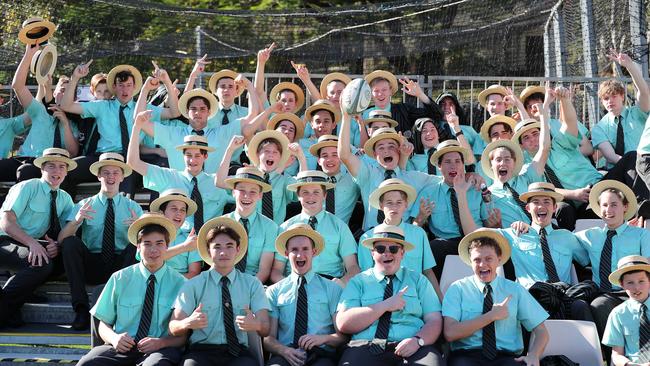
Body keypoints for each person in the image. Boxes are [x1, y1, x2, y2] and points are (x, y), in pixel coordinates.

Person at [78, 213, 186, 366]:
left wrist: (160, 343)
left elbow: (183, 335)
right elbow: (103, 323)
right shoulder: (120, 278)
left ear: (167, 246)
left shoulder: (181, 283)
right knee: (88, 362)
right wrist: (115, 338)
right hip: (122, 346)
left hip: (160, 349)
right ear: (138, 247)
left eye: (159, 243)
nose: (153, 249)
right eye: (147, 244)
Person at [60, 61, 178, 196]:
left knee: (159, 166)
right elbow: (66, 106)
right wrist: (75, 77)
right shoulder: (102, 106)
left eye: (128, 85)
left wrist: (166, 81)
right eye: (121, 85)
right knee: (65, 169)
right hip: (103, 157)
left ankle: (155, 215)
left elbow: (174, 113)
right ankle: (65, 213)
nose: (125, 90)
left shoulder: (145, 108)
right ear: (114, 88)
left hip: (133, 157)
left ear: (134, 87)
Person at [336, 224, 445, 365]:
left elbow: (434, 320)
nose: (387, 253)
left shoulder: (419, 281)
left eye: (393, 249)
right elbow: (343, 323)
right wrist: (385, 305)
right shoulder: (358, 282)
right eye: (380, 249)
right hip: (366, 346)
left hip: (412, 345)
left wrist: (418, 340)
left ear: (402, 253)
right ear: (372, 253)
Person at [169, 217, 270, 366]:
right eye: (217, 247)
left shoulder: (252, 284)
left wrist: (256, 325)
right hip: (201, 352)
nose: (223, 252)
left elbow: (265, 327)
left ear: (237, 249)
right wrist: (188, 322)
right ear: (208, 251)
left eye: (229, 246)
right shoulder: (193, 284)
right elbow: (173, 326)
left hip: (238, 353)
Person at [58, 153, 142, 330]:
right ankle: (81, 309)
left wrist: (137, 229)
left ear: (122, 176)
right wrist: (76, 221)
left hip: (121, 267)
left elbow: (147, 243)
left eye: (115, 173)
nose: (111, 177)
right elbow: (61, 239)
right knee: (70, 243)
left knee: (137, 244)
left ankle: (123, 311)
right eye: (106, 172)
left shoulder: (132, 207)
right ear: (99, 176)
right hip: (93, 264)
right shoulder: (84, 204)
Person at [442, 229, 549, 366]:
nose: (482, 264)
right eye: (477, 260)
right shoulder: (457, 289)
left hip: (506, 357)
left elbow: (541, 331)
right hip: (467, 356)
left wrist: (534, 355)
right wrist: (491, 316)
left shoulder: (515, 290)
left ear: (499, 260)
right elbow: (450, 333)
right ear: (470, 262)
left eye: (488, 259)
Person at [0, 148, 75, 328]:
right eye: (51, 166)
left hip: (31, 244)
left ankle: (20, 295)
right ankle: (4, 308)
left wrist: (55, 245)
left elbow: (64, 231)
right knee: (42, 263)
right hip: (5, 240)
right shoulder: (27, 187)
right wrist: (33, 243)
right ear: (42, 168)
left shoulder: (65, 198)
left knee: (67, 259)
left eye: (61, 167)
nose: (56, 171)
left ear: (66, 171)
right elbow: (6, 223)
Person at [128, 111, 232, 233]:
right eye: (188, 155)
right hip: (175, 241)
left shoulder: (218, 182)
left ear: (205, 157)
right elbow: (133, 163)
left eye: (197, 155)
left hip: (208, 243)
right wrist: (137, 127)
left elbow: (246, 196)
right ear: (183, 156)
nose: (192, 160)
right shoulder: (169, 177)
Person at [575, 180, 650, 339]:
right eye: (604, 205)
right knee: (598, 305)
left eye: (614, 204)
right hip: (604, 293)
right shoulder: (589, 235)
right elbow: (557, 239)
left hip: (636, 290)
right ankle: (612, 357)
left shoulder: (641, 234)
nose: (608, 210)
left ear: (625, 207)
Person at [265, 223, 346, 366]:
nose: (300, 255)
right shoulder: (274, 291)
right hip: (287, 354)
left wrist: (322, 339)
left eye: (305, 249)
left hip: (321, 354)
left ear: (313, 252)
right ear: (286, 253)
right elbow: (268, 339)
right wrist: (284, 351)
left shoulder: (332, 288)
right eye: (294, 250)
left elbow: (342, 337)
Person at [412, 140, 491, 280]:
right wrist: (421, 217)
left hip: (476, 239)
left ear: (463, 165)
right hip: (446, 243)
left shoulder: (477, 188)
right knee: (433, 248)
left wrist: (495, 223)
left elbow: (488, 222)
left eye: (457, 161)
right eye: (447, 162)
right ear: (439, 166)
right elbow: (415, 226)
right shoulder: (429, 192)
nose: (453, 165)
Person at [0, 44, 78, 182]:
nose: (63, 94)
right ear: (54, 92)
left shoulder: (73, 122)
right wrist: (29, 54)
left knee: (25, 172)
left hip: (46, 167)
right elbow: (17, 86)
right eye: (61, 90)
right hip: (22, 160)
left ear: (74, 98)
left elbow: (72, 152)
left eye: (68, 91)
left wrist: (64, 123)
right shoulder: (40, 111)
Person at [271, 170, 360, 285]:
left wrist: (339, 285)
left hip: (330, 282)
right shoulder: (285, 228)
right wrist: (289, 286)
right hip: (294, 282)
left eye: (316, 192)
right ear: (298, 195)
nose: (310, 197)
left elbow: (353, 267)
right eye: (305, 192)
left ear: (325, 195)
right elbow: (276, 271)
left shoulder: (339, 226)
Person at [357, 178, 441, 298]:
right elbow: (366, 275)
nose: (394, 207)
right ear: (381, 205)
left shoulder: (419, 234)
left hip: (415, 296)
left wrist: (440, 301)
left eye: (399, 202)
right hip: (381, 296)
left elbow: (427, 271)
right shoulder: (367, 237)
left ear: (406, 205)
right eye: (389, 202)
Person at [215, 132, 306, 224]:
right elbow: (220, 182)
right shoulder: (247, 175)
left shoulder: (284, 180)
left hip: (273, 233)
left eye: (275, 152)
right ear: (258, 154)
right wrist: (230, 150)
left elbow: (304, 188)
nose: (271, 155)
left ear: (280, 157)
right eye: (266, 151)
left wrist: (301, 158)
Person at [592, 52, 650, 170]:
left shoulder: (637, 113)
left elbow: (643, 92)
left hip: (645, 165)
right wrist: (634, 167)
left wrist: (630, 66)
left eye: (614, 96)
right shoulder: (599, 128)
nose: (610, 101)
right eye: (606, 98)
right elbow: (611, 157)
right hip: (620, 170)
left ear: (622, 96)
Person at [221, 166, 279, 284]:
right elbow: (216, 264)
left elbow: (264, 270)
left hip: (254, 283)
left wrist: (247, 290)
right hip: (224, 281)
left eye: (253, 191)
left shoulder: (270, 227)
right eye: (241, 190)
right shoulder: (221, 223)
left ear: (260, 195)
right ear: (233, 192)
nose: (247, 196)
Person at [362, 70, 445, 135]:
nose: (380, 94)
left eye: (384, 90)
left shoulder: (404, 110)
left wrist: (421, 95)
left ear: (390, 91)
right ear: (370, 94)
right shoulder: (364, 115)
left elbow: (437, 115)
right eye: (376, 91)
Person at [603, 255, 650, 366]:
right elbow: (616, 354)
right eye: (630, 283)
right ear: (622, 284)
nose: (636, 288)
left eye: (641, 281)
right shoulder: (618, 314)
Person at [148, 189, 201, 279]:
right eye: (174, 209)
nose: (179, 213)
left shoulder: (190, 239)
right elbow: (151, 259)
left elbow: (194, 273)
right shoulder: (148, 235)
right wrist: (184, 247)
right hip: (151, 285)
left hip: (181, 287)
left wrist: (170, 283)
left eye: (183, 210)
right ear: (161, 212)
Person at [308, 134, 360, 225]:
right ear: (319, 161)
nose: (329, 159)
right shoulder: (312, 183)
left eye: (335, 155)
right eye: (325, 156)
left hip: (340, 235)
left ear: (341, 158)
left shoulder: (352, 181)